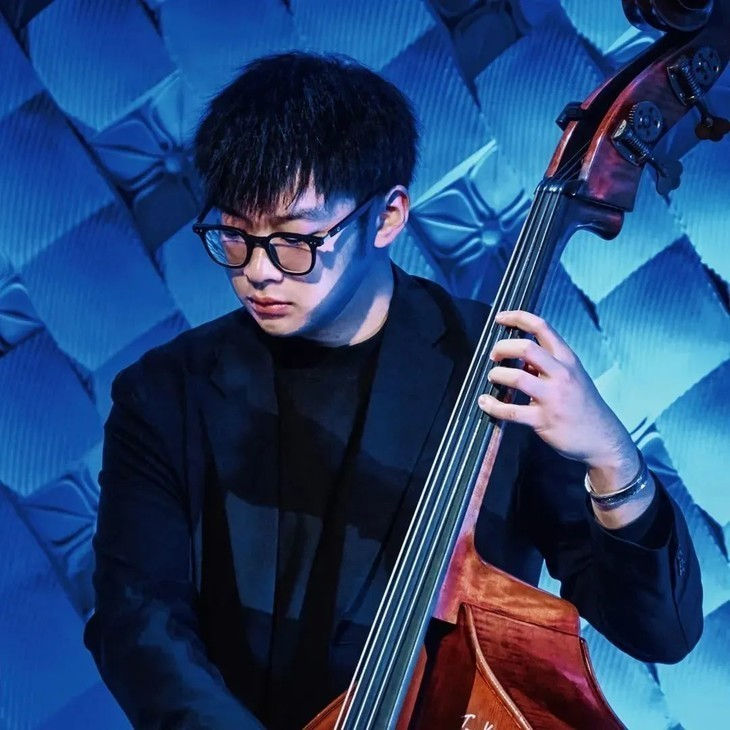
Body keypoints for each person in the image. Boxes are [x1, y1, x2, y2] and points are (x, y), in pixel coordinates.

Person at [84, 52, 702, 730]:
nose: (257, 271)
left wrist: (611, 457)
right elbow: (138, 621)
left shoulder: (500, 372)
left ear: (387, 216)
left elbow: (659, 633)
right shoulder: (164, 394)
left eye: (294, 239)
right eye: (234, 235)